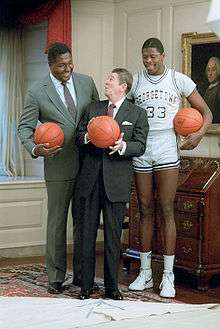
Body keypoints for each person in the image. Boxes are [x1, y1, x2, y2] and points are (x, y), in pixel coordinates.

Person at [128, 38, 212, 298]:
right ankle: (145, 272)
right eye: (145, 57)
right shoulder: (136, 82)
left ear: (163, 56)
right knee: (143, 209)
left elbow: (206, 112)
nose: (149, 61)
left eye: (153, 56)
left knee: (166, 209)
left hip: (166, 147)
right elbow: (122, 113)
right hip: (142, 149)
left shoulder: (178, 79)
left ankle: (168, 275)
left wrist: (198, 134)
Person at [17, 42, 99, 294]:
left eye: (70, 62)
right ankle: (55, 276)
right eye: (62, 65)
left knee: (84, 222)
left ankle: (82, 275)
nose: (68, 68)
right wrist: (35, 149)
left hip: (88, 164)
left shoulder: (86, 82)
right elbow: (24, 128)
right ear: (50, 65)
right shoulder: (36, 92)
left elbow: (97, 116)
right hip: (57, 164)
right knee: (57, 222)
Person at [73, 68, 149, 300]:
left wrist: (123, 147)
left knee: (113, 237)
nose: (106, 82)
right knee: (86, 235)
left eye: (111, 79)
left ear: (123, 86)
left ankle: (111, 288)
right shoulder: (93, 108)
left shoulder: (137, 113)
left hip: (116, 183)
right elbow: (77, 137)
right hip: (90, 182)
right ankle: (85, 287)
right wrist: (90, 135)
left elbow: (140, 145)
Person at [204, 57, 220, 123]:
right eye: (208, 70)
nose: (210, 73)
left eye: (213, 70)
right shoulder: (208, 89)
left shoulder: (218, 89)